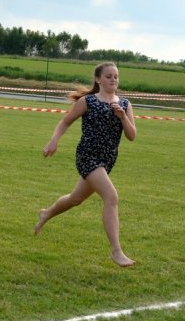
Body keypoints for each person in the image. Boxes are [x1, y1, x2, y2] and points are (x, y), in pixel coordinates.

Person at [34, 62, 137, 267]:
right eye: (108, 76)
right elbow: (65, 122)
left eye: (116, 76)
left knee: (75, 199)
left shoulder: (125, 104)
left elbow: (132, 135)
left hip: (108, 160)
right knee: (111, 197)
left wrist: (123, 117)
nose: (113, 80)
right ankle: (116, 251)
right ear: (98, 79)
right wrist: (54, 140)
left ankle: (47, 213)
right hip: (88, 156)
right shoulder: (87, 101)